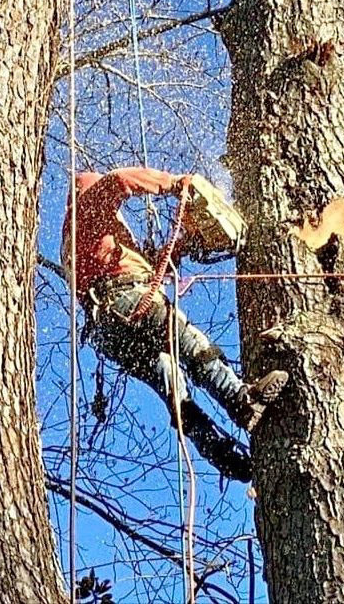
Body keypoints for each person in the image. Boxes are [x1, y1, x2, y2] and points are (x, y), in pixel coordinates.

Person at [62, 167, 288, 481]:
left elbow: (141, 266)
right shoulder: (89, 206)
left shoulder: (82, 242)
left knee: (172, 388)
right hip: (126, 300)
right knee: (191, 345)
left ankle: (222, 454)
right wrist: (175, 184)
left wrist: (179, 247)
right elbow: (119, 182)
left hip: (108, 329)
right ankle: (242, 401)